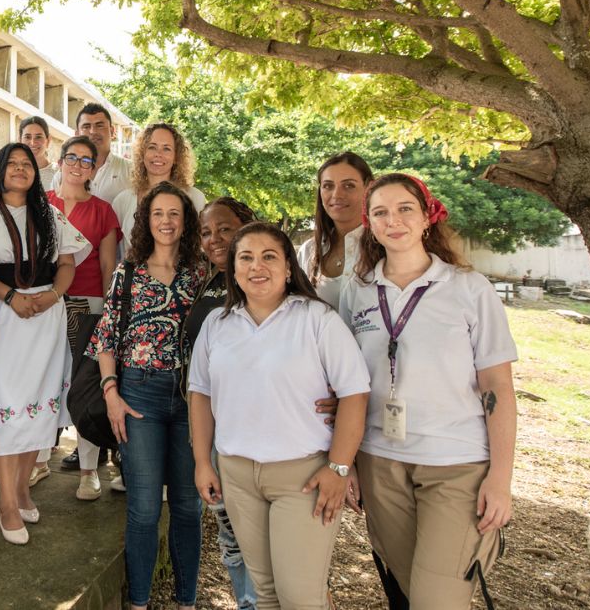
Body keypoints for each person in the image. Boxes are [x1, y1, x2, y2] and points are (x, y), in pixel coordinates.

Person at [339, 174, 517, 608]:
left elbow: (497, 387)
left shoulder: (468, 288)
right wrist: (346, 464)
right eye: (380, 212)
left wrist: (500, 478)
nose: (392, 220)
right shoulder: (357, 291)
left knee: (438, 599)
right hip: (380, 462)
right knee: (406, 590)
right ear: (370, 224)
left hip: (455, 463)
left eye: (404, 209)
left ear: (426, 218)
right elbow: (345, 383)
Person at [189, 221, 371, 610]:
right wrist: (203, 462)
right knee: (266, 593)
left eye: (269, 257)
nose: (258, 266)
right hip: (237, 475)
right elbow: (201, 394)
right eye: (247, 258)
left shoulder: (318, 320)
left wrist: (339, 467)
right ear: (233, 271)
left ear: (289, 267)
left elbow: (355, 394)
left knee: (301, 598)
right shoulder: (217, 325)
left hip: (303, 478)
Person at [91, 182, 206, 610]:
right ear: (146, 220)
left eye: (174, 213)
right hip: (139, 395)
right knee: (142, 509)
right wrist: (111, 393)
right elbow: (105, 338)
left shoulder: (201, 274)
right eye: (158, 213)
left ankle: (186, 600)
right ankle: (138, 602)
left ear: (186, 220)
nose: (166, 221)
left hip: (192, 400)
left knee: (188, 506)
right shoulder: (129, 272)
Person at [0, 143, 88, 543]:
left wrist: (54, 296)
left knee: (38, 408)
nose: (21, 170)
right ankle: (6, 504)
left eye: (27, 164)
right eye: (13, 164)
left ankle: (22, 488)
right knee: (8, 406)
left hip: (46, 317)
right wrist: (10, 297)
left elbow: (67, 262)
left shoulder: (49, 213)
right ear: (0, 172)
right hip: (5, 317)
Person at [184, 197, 258, 609]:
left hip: (264, 433)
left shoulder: (268, 279)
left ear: (246, 225)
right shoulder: (206, 281)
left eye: (224, 229)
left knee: (263, 535)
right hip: (216, 430)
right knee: (229, 531)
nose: (214, 240)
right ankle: (247, 603)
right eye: (207, 232)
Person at [46, 136, 121, 500]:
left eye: (86, 160)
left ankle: (89, 470)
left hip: (89, 304)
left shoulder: (103, 210)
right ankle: (37, 458)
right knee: (44, 379)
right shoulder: (42, 203)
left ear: (94, 168)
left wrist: (109, 310)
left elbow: (109, 264)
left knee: (85, 384)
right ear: (60, 161)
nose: (78, 165)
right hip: (45, 304)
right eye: (71, 158)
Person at [111, 122, 206, 251]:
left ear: (176, 157)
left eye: (166, 148)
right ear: (142, 153)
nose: (158, 154)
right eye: (152, 147)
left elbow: (201, 249)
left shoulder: (195, 198)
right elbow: (115, 253)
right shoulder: (122, 201)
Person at [297, 152, 374, 310]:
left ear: (369, 187)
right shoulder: (308, 251)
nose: (337, 194)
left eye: (349, 185)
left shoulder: (387, 246)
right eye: (328, 186)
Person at [56, 103, 131, 202]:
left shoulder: (130, 171)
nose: (93, 131)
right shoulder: (62, 175)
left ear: (112, 131)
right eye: (86, 126)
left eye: (99, 126)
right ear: (77, 134)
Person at [18, 115, 54, 189]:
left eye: (38, 137)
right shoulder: (11, 173)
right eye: (27, 137)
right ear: (19, 140)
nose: (32, 143)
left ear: (48, 140)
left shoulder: (59, 175)